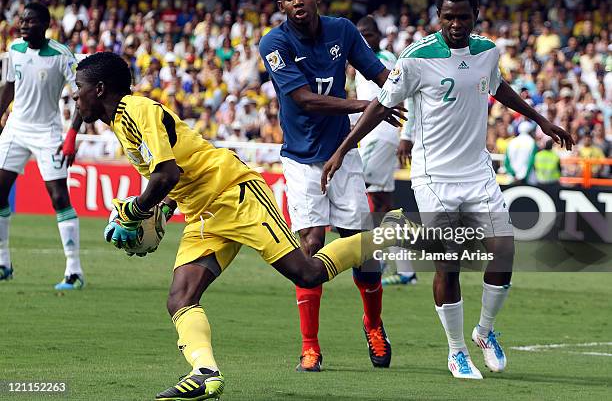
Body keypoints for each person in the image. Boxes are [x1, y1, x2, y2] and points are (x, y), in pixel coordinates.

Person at [72, 51, 415, 400]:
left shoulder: (135, 110)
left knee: (307, 273)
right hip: (204, 213)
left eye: (78, 88)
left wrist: (135, 210)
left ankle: (391, 231)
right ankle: (204, 373)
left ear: (99, 89)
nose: (75, 96)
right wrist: (161, 209)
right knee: (180, 297)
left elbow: (166, 173)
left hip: (235, 193)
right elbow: (178, 168)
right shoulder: (121, 121)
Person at [322, 0, 573, 379]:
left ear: (475, 16)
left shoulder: (487, 51)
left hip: (477, 170)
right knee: (450, 263)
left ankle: (484, 332)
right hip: (434, 176)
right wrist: (341, 149)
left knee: (503, 252)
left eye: (463, 16)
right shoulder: (415, 58)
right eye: (448, 16)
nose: (455, 23)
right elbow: (379, 105)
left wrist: (541, 120)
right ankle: (456, 351)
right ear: (438, 16)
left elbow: (498, 88)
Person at [259, 0, 404, 372]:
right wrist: (367, 106)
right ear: (281, 5)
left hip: (345, 155)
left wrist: (409, 87)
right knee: (310, 245)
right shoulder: (274, 43)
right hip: (301, 160)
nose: (297, 2)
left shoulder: (342, 31)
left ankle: (373, 325)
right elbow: (304, 99)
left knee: (361, 248)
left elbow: (379, 74)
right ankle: (310, 345)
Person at [0, 2, 84, 289]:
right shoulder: (14, 50)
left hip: (47, 132)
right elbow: (9, 86)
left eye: (31, 21)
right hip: (16, 130)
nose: (23, 25)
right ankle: (3, 263)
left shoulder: (62, 55)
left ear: (46, 24)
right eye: (22, 20)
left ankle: (74, 271)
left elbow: (81, 96)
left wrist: (71, 135)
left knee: (59, 197)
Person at [353, 16, 416, 286]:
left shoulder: (384, 59)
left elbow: (405, 92)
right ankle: (405, 268)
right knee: (383, 204)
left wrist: (407, 133)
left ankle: (377, 256)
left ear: (379, 35)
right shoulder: (360, 60)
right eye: (361, 34)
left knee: (352, 183)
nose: (365, 38)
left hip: (379, 134)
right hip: (376, 135)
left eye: (369, 34)